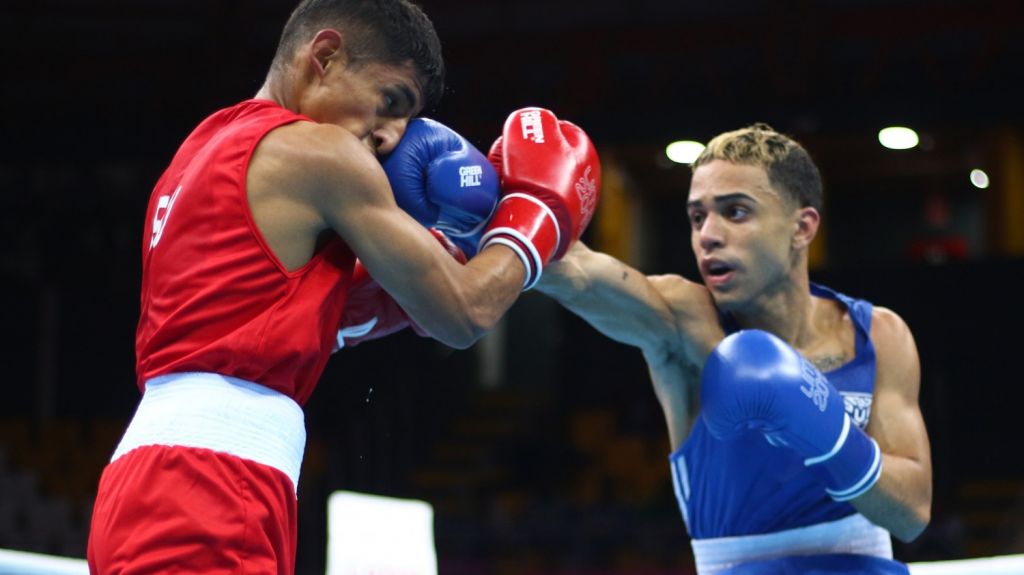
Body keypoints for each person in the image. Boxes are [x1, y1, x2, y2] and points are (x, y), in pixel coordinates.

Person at [86, 0, 601, 573]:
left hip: (173, 482)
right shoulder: (319, 151)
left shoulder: (203, 148)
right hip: (206, 487)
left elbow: (328, 315)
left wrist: (454, 245)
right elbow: (462, 313)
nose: (389, 138)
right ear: (325, 56)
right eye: (390, 102)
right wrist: (535, 217)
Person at [538, 123, 931, 574]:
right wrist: (497, 218)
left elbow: (913, 513)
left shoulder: (876, 334)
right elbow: (580, 274)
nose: (708, 235)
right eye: (697, 217)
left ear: (802, 227)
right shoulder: (685, 320)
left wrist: (830, 436)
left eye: (736, 212)